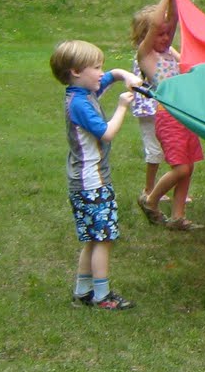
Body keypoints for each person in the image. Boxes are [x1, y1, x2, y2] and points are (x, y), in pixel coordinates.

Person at [51, 40, 142, 309]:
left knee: (93, 238)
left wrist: (126, 76)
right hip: (92, 183)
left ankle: (82, 292)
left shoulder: (84, 91)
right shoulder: (80, 104)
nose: (101, 73)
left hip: (85, 182)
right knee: (103, 238)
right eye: (96, 67)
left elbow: (112, 76)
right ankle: (102, 297)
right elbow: (107, 132)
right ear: (77, 71)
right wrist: (123, 106)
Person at [135, 0, 204, 231]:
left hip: (185, 115)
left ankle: (177, 217)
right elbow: (156, 23)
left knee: (189, 167)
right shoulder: (146, 56)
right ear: (146, 37)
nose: (165, 37)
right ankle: (150, 200)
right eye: (159, 34)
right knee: (181, 167)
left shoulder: (166, 52)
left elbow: (172, 20)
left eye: (167, 33)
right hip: (168, 118)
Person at [129, 5, 164, 210]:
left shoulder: (162, 51)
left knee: (167, 149)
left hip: (162, 108)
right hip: (150, 108)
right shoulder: (145, 53)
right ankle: (149, 190)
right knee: (154, 151)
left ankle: (159, 189)